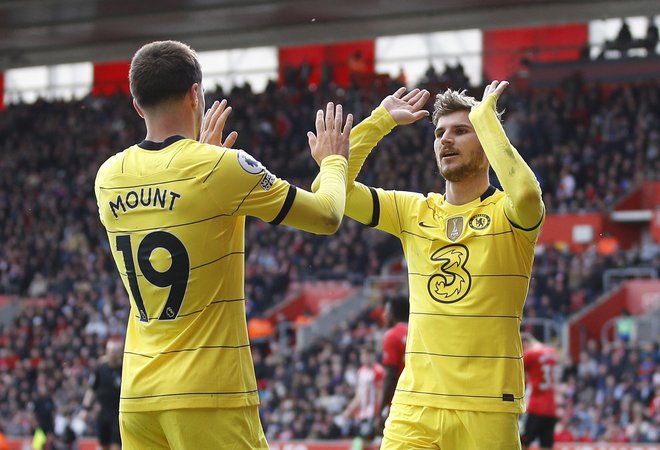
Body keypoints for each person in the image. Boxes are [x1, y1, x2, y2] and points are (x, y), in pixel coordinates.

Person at [94, 40, 352, 449]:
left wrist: (203, 157)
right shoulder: (219, 168)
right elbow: (326, 214)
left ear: (137, 106)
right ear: (196, 94)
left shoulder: (109, 176)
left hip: (139, 397)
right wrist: (335, 161)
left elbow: (175, 204)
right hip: (208, 392)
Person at [311, 81, 544, 449]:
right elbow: (328, 184)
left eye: (461, 131)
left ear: (485, 141)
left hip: (486, 404)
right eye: (439, 133)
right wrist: (380, 121)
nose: (445, 140)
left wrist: (487, 121)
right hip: (414, 404)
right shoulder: (413, 211)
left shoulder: (510, 214)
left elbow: (529, 193)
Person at [81, 338, 123, 450]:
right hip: (103, 413)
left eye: (115, 351)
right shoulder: (100, 369)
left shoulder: (123, 369)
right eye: (110, 351)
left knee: (116, 446)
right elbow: (91, 390)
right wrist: (85, 408)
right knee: (103, 445)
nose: (112, 354)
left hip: (118, 414)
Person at [520, 333, 559, 450]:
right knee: (546, 446)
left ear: (525, 344)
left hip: (535, 407)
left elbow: (519, 375)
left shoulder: (531, 354)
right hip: (551, 409)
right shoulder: (552, 352)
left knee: (522, 444)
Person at [378, 294, 409, 430]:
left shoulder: (392, 335)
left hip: (401, 402)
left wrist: (379, 411)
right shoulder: (418, 330)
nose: (384, 315)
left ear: (394, 313)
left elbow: (390, 376)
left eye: (387, 311)